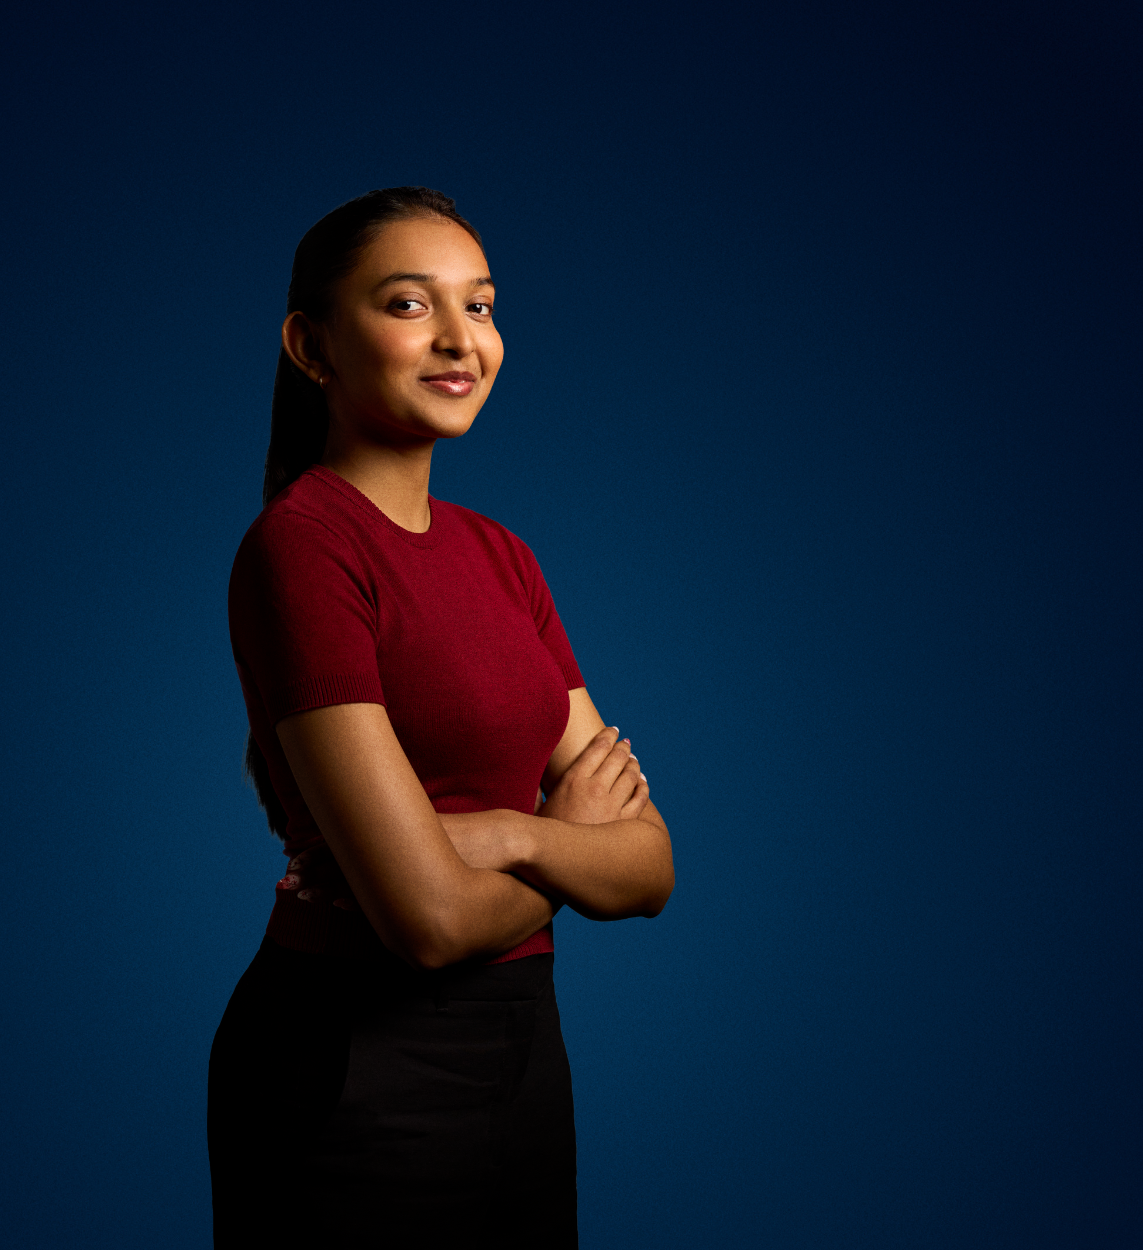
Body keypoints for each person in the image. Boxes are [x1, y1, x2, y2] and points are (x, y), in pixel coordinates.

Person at [208, 187, 674, 1249]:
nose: (463, 339)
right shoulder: (305, 546)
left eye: (483, 303)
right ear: (311, 343)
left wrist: (505, 835)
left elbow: (650, 868)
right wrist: (565, 849)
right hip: (350, 1060)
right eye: (411, 304)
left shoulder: (503, 555)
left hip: (522, 1047)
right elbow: (425, 924)